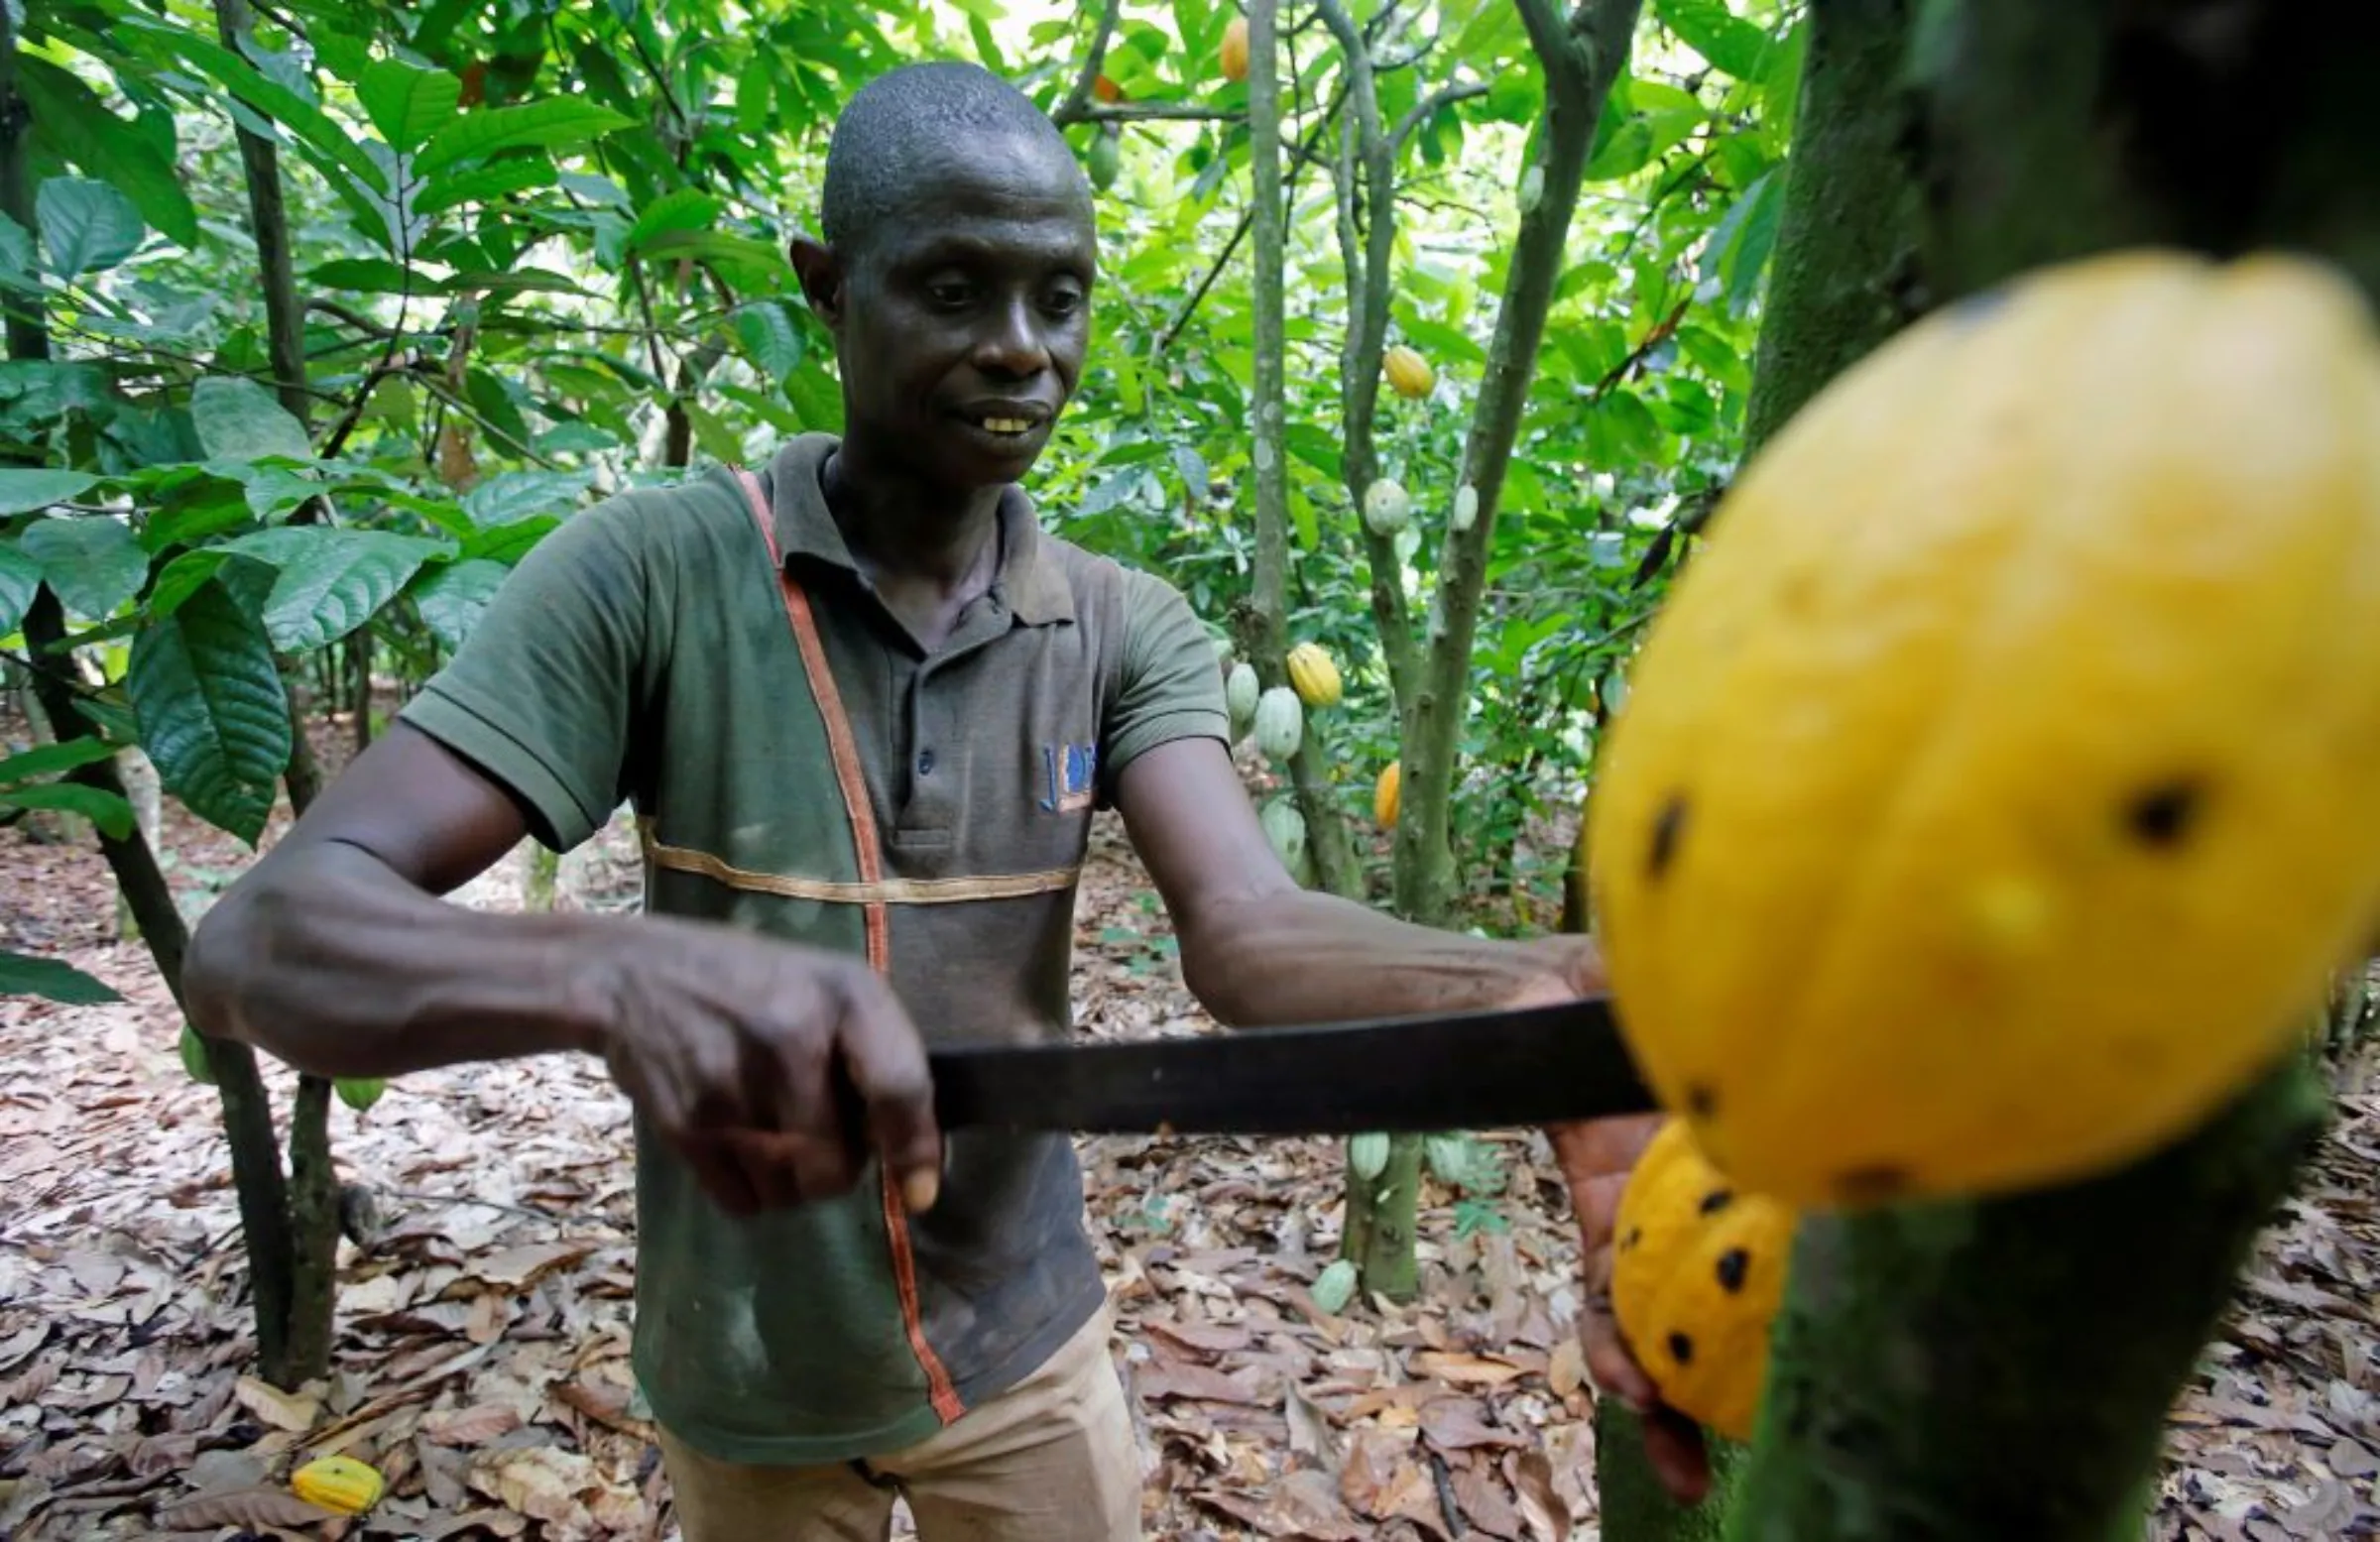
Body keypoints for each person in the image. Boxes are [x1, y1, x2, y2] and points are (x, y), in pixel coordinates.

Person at [183, 59, 1698, 1542]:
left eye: (1061, 296)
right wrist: (612, 969)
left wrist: (1540, 988)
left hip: (1024, 1350)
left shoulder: (1120, 625)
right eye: (956, 290)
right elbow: (263, 942)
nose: (1024, 348)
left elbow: (1248, 931)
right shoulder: (650, 576)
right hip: (749, 1374)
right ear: (828, 288)